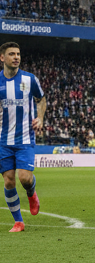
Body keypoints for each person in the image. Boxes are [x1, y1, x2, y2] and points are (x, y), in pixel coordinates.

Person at [1, 41, 46, 233]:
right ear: (2, 57)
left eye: (18, 54)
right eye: (12, 54)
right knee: (9, 180)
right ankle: (18, 221)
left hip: (25, 138)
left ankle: (31, 192)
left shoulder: (29, 79)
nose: (16, 57)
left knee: (25, 178)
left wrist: (40, 118)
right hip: (3, 140)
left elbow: (41, 99)